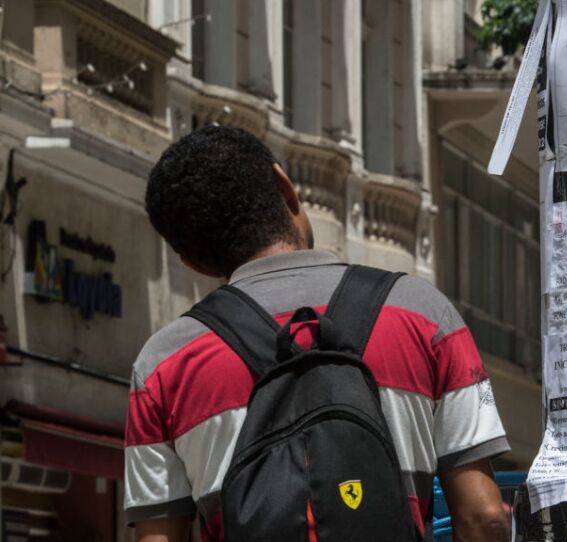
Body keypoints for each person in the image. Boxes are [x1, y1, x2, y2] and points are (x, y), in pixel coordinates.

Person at [124, 126, 512, 542]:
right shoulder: (423, 314)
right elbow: (484, 517)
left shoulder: (163, 364)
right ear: (285, 187)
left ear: (191, 261)